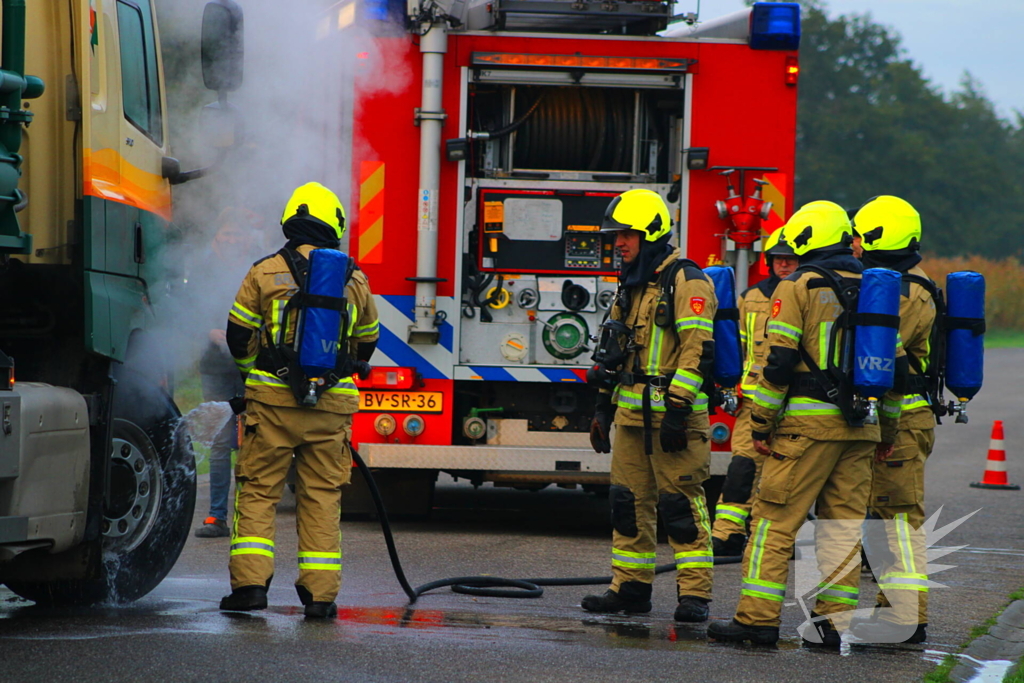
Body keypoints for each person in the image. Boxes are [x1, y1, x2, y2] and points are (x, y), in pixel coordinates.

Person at [706, 201, 906, 647]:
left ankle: (756, 621)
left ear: (807, 240)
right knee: (843, 530)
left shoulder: (798, 286)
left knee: (773, 524)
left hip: (804, 430)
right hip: (861, 429)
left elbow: (778, 362)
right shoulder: (874, 286)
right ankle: (831, 628)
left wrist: (759, 422)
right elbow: (895, 371)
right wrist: (886, 433)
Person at [218, 182, 379, 619]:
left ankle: (250, 586)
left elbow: (237, 335)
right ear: (335, 225)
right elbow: (366, 345)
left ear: (291, 220)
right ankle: (321, 596)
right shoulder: (355, 278)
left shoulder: (264, 271)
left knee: (258, 492)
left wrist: (258, 374)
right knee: (323, 496)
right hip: (332, 410)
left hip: (271, 404)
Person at [583, 189, 718, 622]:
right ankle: (630, 589)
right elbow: (615, 350)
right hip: (631, 414)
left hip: (674, 417)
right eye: (616, 236)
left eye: (626, 235)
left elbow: (699, 350)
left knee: (680, 506)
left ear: (651, 233)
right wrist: (603, 408)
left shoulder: (688, 279)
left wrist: (678, 409)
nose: (618, 243)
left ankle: (694, 595)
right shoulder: (633, 283)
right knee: (627, 503)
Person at [850, 196, 935, 644]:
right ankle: (892, 611)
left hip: (904, 418)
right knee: (882, 517)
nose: (855, 245)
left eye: (862, 236)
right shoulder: (894, 283)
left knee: (898, 519)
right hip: (892, 416)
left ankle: (908, 618)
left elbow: (882, 351)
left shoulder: (907, 292)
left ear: (883, 236)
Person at [710, 229, 798, 557]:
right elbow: (737, 346)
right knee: (741, 470)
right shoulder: (751, 297)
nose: (785, 264)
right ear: (769, 261)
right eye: (779, 259)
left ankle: (774, 538)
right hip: (753, 400)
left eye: (791, 259)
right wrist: (730, 386)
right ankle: (727, 533)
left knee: (784, 476)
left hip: (794, 403)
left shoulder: (805, 295)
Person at [194, 208, 260, 538]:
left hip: (252, 367)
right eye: (226, 233)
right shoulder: (201, 271)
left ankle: (249, 520)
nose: (233, 239)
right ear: (216, 238)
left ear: (248, 239)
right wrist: (207, 331)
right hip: (215, 366)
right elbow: (185, 310)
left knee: (255, 442)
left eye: (238, 234)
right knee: (220, 442)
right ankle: (216, 516)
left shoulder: (257, 271)